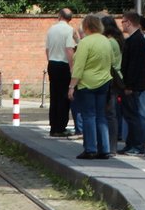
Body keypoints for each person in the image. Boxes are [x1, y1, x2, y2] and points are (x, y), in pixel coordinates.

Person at [67, 13, 114, 160]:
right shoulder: (106, 41)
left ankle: (90, 148)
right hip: (104, 81)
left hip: (87, 83)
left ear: (86, 26)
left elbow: (79, 66)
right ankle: (104, 148)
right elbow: (112, 61)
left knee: (88, 115)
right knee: (101, 115)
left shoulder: (85, 43)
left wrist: (71, 86)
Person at [118, 9, 145, 156]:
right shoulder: (133, 39)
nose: (122, 25)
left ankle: (137, 146)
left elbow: (134, 66)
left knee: (135, 116)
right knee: (130, 115)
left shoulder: (137, 40)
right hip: (132, 84)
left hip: (134, 85)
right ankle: (130, 144)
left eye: (123, 22)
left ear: (129, 22)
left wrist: (129, 85)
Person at [44, 8, 77, 136]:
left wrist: (50, 61)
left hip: (52, 63)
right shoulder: (70, 30)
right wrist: (72, 67)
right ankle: (60, 127)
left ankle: (53, 126)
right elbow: (69, 49)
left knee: (54, 96)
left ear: (59, 16)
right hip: (64, 64)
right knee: (64, 97)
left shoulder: (51, 29)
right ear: (70, 18)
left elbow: (47, 49)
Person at [101, 15, 125, 148]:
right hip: (116, 78)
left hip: (111, 79)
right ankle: (111, 144)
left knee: (110, 113)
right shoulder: (117, 40)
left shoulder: (110, 42)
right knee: (112, 112)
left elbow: (107, 61)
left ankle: (111, 145)